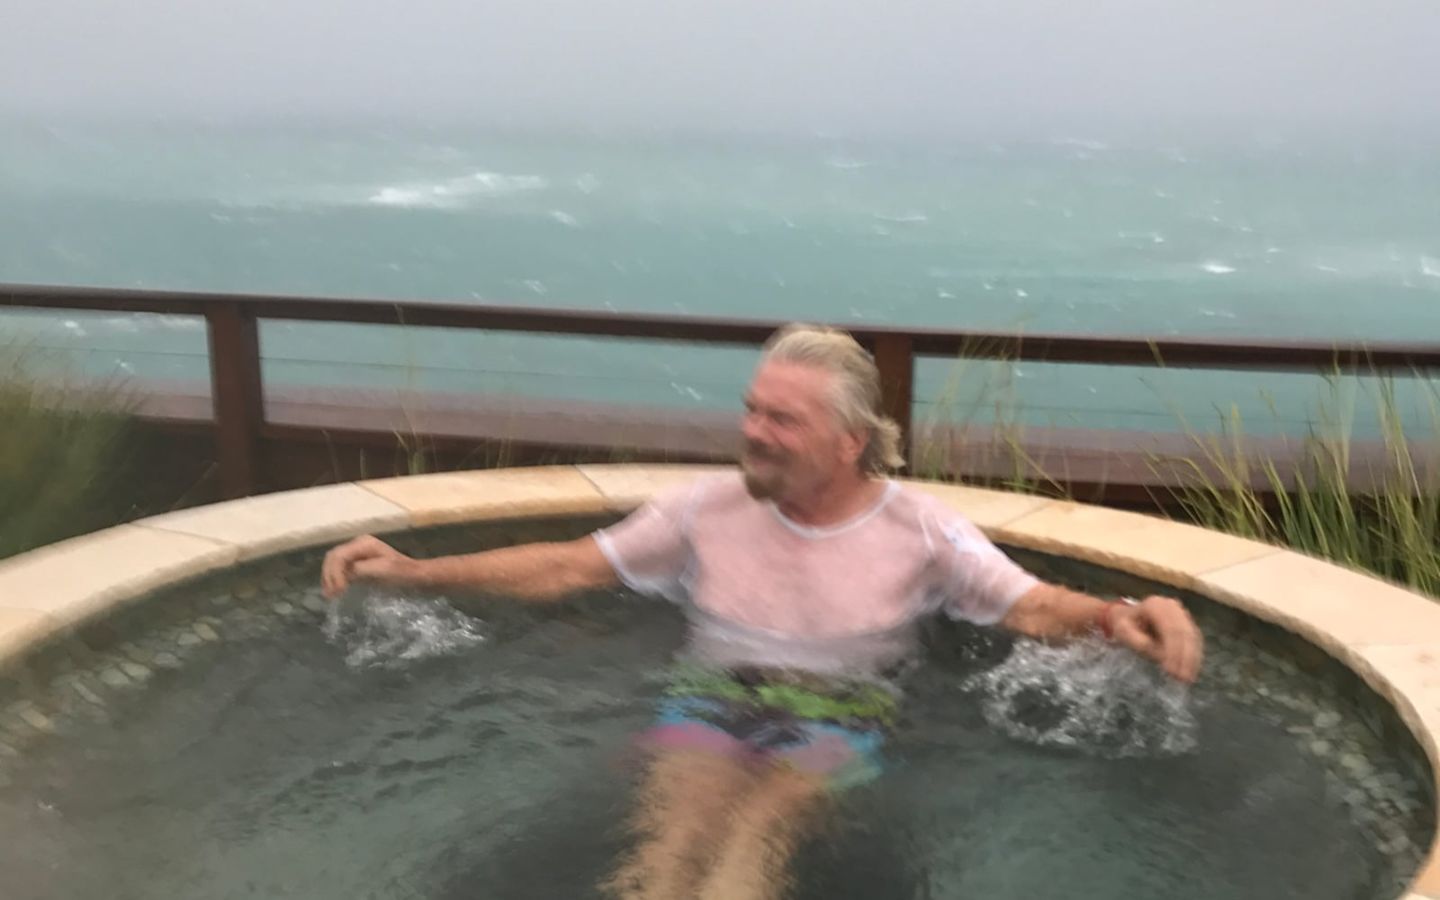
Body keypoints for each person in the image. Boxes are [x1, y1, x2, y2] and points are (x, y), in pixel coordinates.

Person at [320, 323, 1204, 900]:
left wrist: (1117, 616)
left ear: (848, 440)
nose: (752, 431)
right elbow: (563, 566)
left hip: (841, 711)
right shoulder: (704, 511)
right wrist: (414, 572)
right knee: (664, 858)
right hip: (710, 700)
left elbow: (1033, 605)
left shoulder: (918, 532)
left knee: (754, 839)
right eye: (751, 410)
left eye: (781, 420)